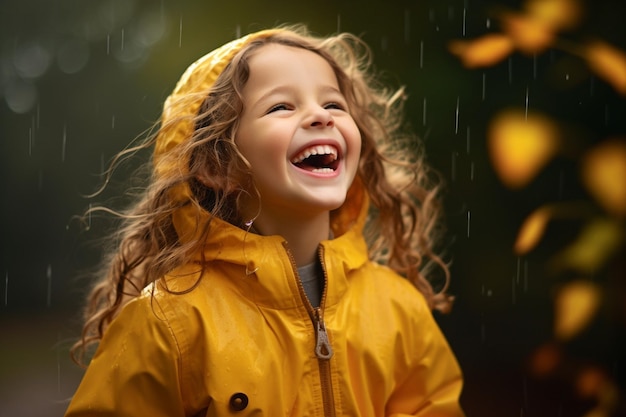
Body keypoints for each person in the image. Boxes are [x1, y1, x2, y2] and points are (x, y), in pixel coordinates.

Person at [65, 25, 465, 416]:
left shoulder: (399, 309)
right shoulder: (169, 322)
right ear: (216, 165)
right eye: (281, 107)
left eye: (333, 104)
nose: (319, 117)